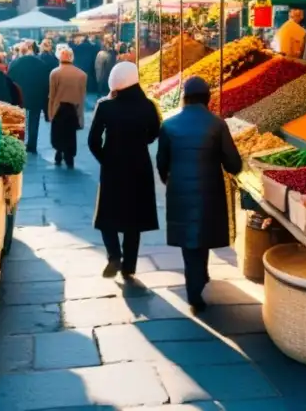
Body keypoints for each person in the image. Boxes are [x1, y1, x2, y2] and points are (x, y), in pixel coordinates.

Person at [157, 76, 242, 313]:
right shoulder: (217, 124)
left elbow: (161, 161)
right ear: (208, 98)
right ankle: (196, 286)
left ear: (184, 97)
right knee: (202, 233)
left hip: (180, 190)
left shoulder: (169, 125)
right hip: (209, 191)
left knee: (189, 240)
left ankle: (196, 281)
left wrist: (168, 179)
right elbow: (233, 163)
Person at [87, 62, 160, 280]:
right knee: (134, 218)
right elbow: (154, 133)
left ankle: (113, 255)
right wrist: (140, 142)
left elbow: (93, 141)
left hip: (113, 166)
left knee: (107, 213)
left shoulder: (106, 106)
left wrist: (105, 158)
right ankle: (129, 266)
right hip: (140, 166)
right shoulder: (148, 106)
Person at [8, 43, 51, 155]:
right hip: (36, 96)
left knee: (19, 120)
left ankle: (19, 143)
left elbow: (9, 80)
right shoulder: (41, 64)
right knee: (34, 121)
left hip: (19, 96)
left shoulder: (15, 64)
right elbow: (46, 83)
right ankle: (32, 145)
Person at [48, 45, 87, 168]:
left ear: (59, 57)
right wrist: (81, 116)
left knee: (58, 133)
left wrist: (50, 113)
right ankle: (69, 157)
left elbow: (52, 95)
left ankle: (59, 153)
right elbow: (82, 96)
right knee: (70, 134)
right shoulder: (82, 75)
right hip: (73, 109)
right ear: (72, 58)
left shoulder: (55, 73)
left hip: (59, 108)